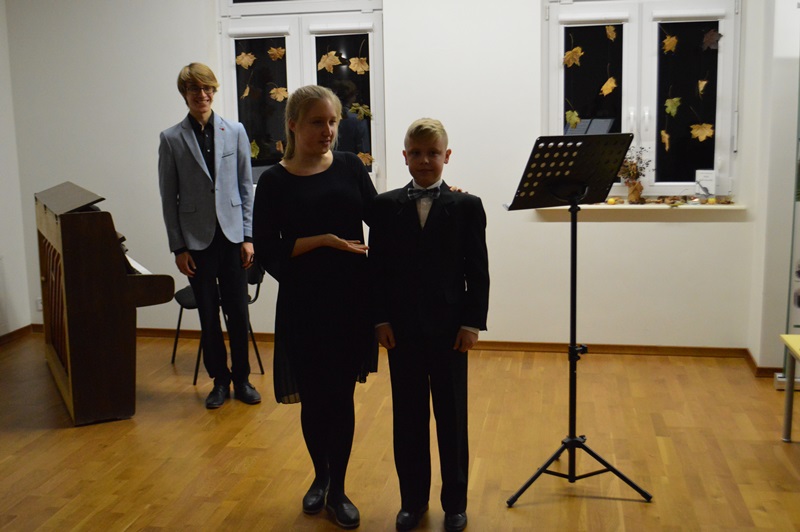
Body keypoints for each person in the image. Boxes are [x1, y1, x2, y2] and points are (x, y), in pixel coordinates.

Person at [252, 85, 377, 530]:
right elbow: (267, 250)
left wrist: (433, 193)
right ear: (292, 125)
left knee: (340, 398)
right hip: (304, 304)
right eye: (317, 122)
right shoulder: (273, 181)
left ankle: (338, 489)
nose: (328, 131)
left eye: (332, 122)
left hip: (350, 301)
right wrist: (324, 240)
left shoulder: (349, 166)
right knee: (314, 399)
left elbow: (382, 217)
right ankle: (320, 477)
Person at [369, 118, 490, 532]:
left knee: (452, 418)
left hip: (450, 331)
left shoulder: (467, 206)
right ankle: (412, 501)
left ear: (446, 156)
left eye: (433, 153)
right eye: (417, 153)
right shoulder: (385, 206)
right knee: (408, 418)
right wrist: (380, 319)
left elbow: (478, 271)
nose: (425, 161)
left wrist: (472, 323)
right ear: (405, 156)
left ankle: (455, 503)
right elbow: (377, 270)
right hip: (401, 331)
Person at [158, 62, 261, 410]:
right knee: (207, 316)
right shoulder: (171, 139)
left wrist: (248, 236)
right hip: (196, 241)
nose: (201, 95)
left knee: (238, 313)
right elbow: (168, 197)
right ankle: (219, 381)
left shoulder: (235, 131)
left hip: (232, 239)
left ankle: (243, 379)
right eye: (194, 89)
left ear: (214, 91)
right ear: (184, 94)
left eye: (207, 88)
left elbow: (245, 187)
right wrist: (178, 247)